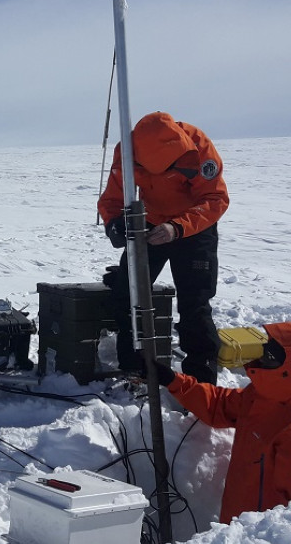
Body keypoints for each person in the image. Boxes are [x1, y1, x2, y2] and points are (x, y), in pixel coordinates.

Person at [153, 321, 291, 524]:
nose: (261, 354)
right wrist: (172, 380)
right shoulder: (263, 396)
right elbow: (219, 405)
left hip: (259, 543)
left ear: (289, 368)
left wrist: (256, 543)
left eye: (270, 353)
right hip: (231, 527)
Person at [98, 111, 229, 383]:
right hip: (150, 224)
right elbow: (112, 199)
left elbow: (215, 199)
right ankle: (133, 368)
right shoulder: (128, 151)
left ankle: (202, 382)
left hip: (195, 227)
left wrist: (177, 227)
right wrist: (115, 225)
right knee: (127, 293)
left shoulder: (199, 147)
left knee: (195, 305)